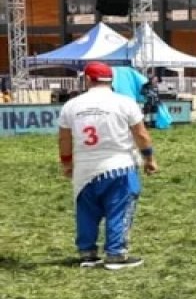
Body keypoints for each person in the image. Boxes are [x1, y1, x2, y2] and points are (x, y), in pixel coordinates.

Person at [57, 62, 157, 270]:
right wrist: (149, 158)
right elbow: (141, 134)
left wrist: (67, 163)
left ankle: (87, 252)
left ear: (87, 79)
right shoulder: (125, 102)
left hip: (84, 167)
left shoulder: (71, 106)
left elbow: (64, 139)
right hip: (119, 164)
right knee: (119, 209)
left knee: (86, 211)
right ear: (111, 80)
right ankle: (116, 253)